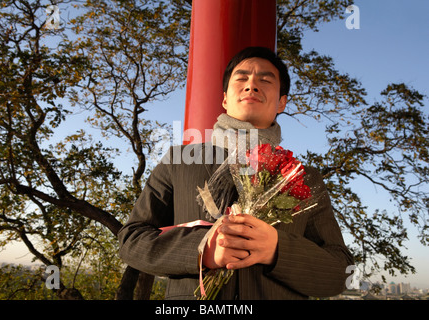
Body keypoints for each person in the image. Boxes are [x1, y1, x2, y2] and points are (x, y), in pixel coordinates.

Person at [118, 47, 354, 300]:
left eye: (265, 80)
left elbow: (341, 271)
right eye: (241, 78)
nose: (251, 85)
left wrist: (277, 249)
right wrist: (201, 251)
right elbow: (131, 240)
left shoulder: (303, 177)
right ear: (224, 99)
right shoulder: (178, 161)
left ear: (282, 102)